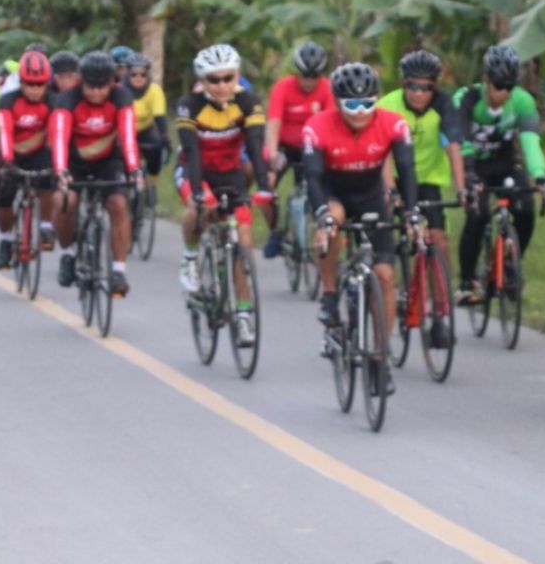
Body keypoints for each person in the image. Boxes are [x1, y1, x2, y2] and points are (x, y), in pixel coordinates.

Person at [304, 62, 420, 394]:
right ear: (338, 102)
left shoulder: (394, 124)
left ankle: (380, 358)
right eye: (351, 104)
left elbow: (407, 170)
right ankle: (329, 294)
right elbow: (312, 177)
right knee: (332, 225)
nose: (359, 111)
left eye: (367, 103)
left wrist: (412, 212)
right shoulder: (318, 126)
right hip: (334, 191)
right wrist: (322, 213)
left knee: (384, 276)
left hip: (370, 195)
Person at [175, 44, 269, 345]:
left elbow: (255, 149)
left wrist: (266, 187)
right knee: (197, 208)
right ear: (201, 81)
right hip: (195, 171)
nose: (222, 85)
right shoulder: (189, 106)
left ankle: (243, 316)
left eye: (228, 78)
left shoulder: (248, 102)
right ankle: (190, 257)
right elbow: (191, 152)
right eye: (213, 80)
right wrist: (202, 197)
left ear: (237, 76)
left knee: (243, 239)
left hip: (230, 173)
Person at [377, 50, 466, 348]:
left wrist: (462, 187)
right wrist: (390, 189)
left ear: (435, 88)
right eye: (413, 86)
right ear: (404, 84)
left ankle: (440, 312)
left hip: (428, 179)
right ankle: (398, 289)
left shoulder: (443, 105)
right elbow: (383, 153)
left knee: (437, 240)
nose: (419, 93)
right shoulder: (387, 106)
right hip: (395, 177)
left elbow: (453, 144)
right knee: (393, 235)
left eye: (427, 87)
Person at [452, 45, 545, 305]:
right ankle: (466, 280)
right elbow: (461, 138)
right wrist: (469, 175)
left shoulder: (522, 101)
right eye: (498, 86)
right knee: (478, 215)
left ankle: (510, 263)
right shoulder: (467, 97)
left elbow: (530, 140)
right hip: (474, 164)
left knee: (526, 210)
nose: (503, 93)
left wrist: (540, 175)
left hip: (505, 164)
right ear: (486, 79)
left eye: (509, 86)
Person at [51, 51, 140, 297]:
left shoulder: (122, 96)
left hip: (108, 161)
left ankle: (119, 270)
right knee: (64, 200)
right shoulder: (68, 98)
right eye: (91, 86)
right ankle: (67, 255)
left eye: (102, 87)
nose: (97, 93)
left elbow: (128, 136)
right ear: (82, 80)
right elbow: (59, 137)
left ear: (111, 82)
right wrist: (61, 171)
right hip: (73, 161)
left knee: (119, 203)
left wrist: (134, 169)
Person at [262, 40, 335, 258]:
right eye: (305, 75)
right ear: (297, 72)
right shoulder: (282, 88)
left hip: (314, 147)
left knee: (325, 188)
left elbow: (332, 124)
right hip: (286, 147)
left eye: (315, 76)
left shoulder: (327, 88)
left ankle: (319, 228)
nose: (309, 81)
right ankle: (275, 231)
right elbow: (273, 123)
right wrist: (273, 154)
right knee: (266, 187)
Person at [0, 50, 58, 269]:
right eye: (29, 84)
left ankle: (46, 225)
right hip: (12, 152)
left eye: (40, 85)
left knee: (48, 181)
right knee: (5, 197)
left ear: (47, 84)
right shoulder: (7, 101)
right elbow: (4, 133)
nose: (34, 90)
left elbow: (55, 134)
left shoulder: (54, 102)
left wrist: (56, 164)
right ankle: (5, 239)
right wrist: (8, 161)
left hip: (39, 152)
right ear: (21, 82)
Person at [125, 53, 170, 186]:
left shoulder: (154, 90)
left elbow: (159, 116)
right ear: (127, 75)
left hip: (146, 129)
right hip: (123, 130)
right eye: (134, 74)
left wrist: (165, 137)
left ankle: (152, 182)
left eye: (142, 74)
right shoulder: (120, 90)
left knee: (156, 147)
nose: (138, 78)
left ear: (148, 75)